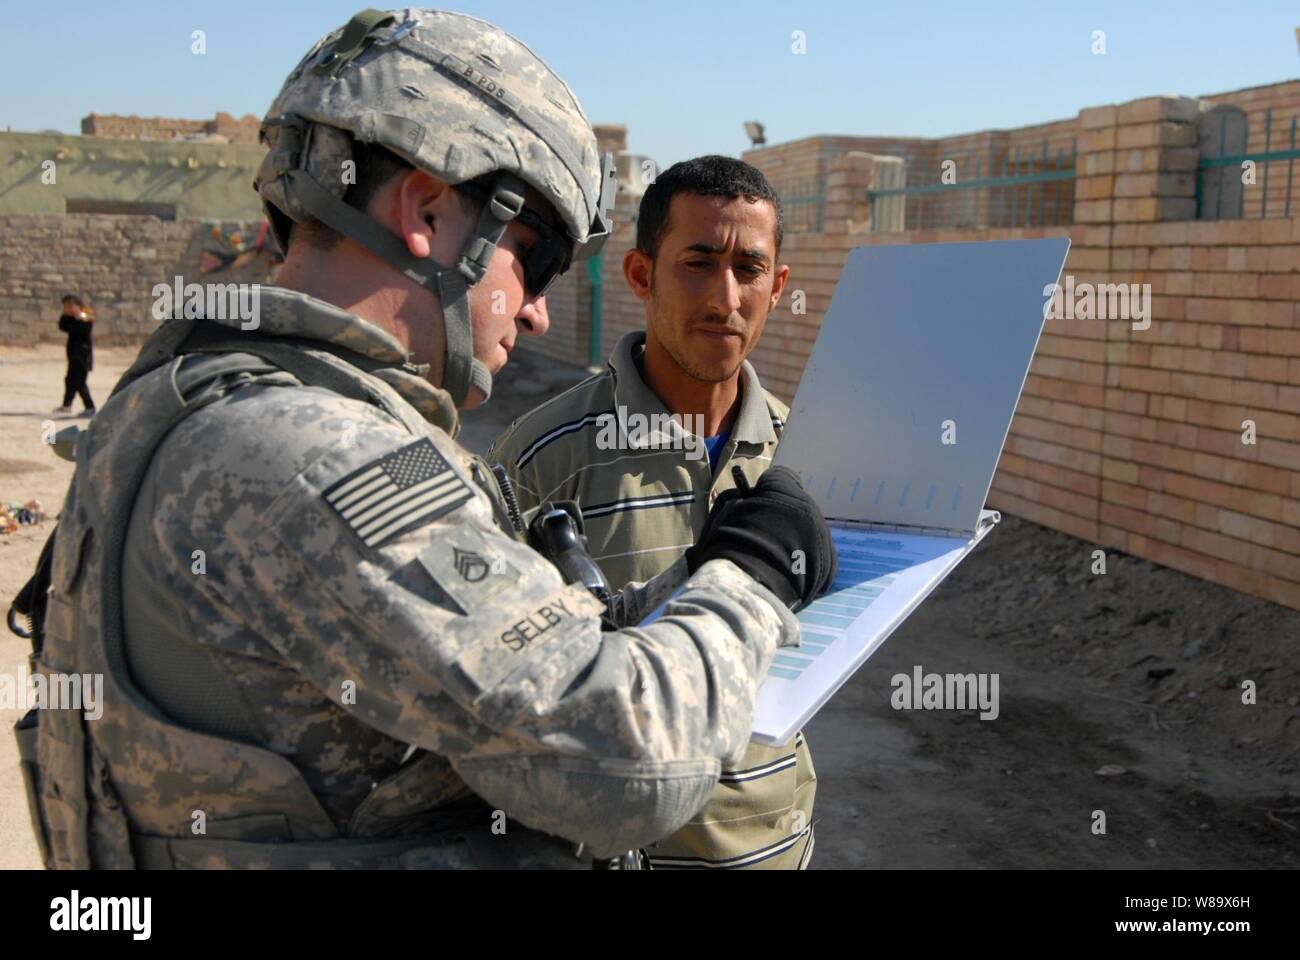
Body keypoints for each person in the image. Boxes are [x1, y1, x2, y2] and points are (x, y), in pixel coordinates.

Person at [13, 8, 835, 870]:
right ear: (429, 209)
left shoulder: (180, 395)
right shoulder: (318, 448)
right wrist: (752, 574)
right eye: (534, 255)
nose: (537, 308)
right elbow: (629, 767)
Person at [489, 156, 819, 869]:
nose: (725, 298)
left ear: (779, 286)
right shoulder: (542, 459)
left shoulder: (806, 456)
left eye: (750, 269)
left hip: (772, 844)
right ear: (641, 276)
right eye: (698, 264)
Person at [53, 294, 94, 416]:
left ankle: (90, 407)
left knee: (80, 382)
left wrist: (78, 317)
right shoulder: (69, 318)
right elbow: (63, 326)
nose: (66, 309)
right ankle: (67, 405)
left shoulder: (85, 316)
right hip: (73, 355)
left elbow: (84, 332)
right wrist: (69, 316)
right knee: (70, 380)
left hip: (82, 355)